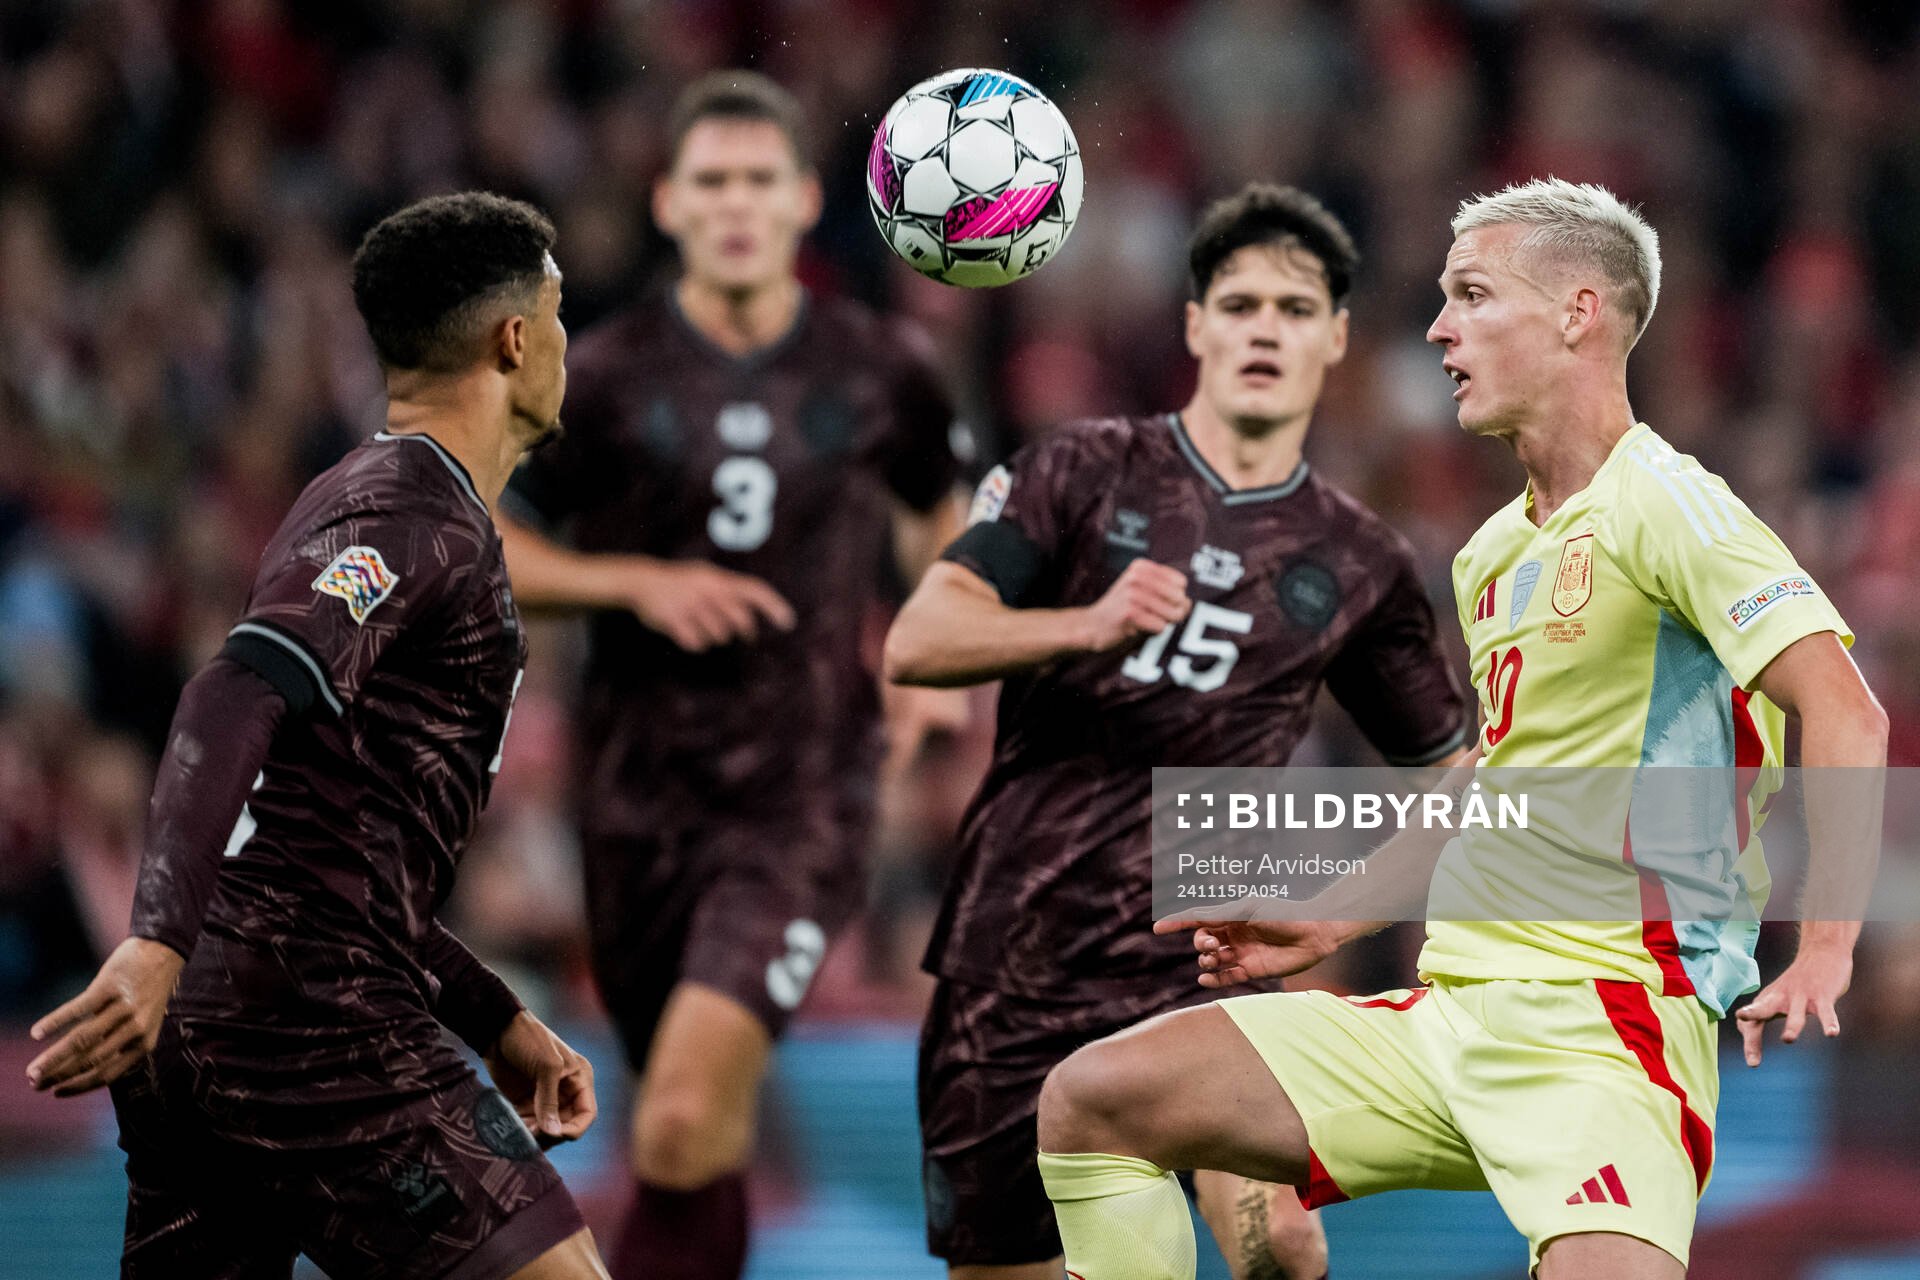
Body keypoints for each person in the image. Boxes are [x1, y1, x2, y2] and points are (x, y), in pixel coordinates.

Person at [1036, 178, 1890, 1279]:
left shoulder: (1669, 504)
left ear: (1579, 313)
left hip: (1608, 1031)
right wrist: (1329, 920)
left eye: (1472, 295)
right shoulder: (1493, 552)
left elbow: (1845, 707)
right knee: (1093, 1096)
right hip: (1449, 1017)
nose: (1438, 327)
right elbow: (1500, 777)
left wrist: (1825, 946)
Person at [883, 183, 1472, 1280]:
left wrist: (1344, 902)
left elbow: (1455, 778)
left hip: (1202, 951)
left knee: (1281, 1246)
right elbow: (919, 638)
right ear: (1196, 325)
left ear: (1336, 337)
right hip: (1015, 956)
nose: (1264, 327)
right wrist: (1084, 620)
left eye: (1296, 308)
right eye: (1239, 302)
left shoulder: (1359, 559)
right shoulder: (1081, 470)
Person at [23, 191, 611, 1279]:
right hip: (310, 1016)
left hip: (227, 1010)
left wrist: (490, 1010)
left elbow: (314, 831)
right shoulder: (406, 511)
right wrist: (155, 938)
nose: (570, 343)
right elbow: (229, 693)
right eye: (562, 313)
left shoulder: (362, 500)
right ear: (517, 338)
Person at [495, 71, 964, 1280]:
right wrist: (633, 584)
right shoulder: (596, 375)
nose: (736, 202)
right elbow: (491, 532)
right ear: (667, 201)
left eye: (760, 178)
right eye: (711, 180)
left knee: (687, 1114)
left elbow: (936, 520)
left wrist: (931, 657)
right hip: (638, 799)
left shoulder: (881, 368)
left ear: (808, 198)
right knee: (691, 1138)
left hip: (802, 794)